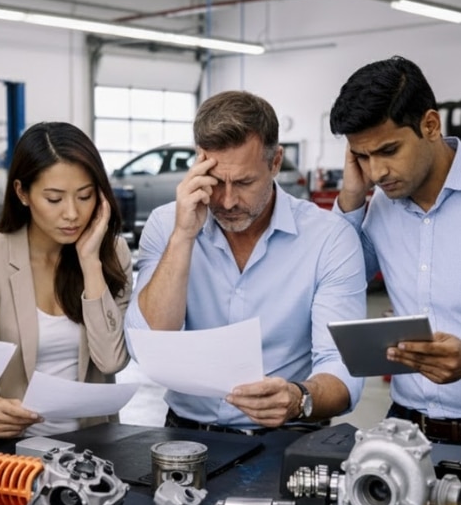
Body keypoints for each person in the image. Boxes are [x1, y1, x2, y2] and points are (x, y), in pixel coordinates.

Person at [329, 55, 461, 490]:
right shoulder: (378, 207)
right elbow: (338, 279)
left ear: (431, 124)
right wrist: (351, 201)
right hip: (404, 434)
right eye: (362, 156)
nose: (377, 172)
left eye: (388, 151)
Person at [124, 90, 366, 434]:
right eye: (215, 181)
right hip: (186, 434)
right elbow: (147, 343)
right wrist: (182, 236)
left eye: (244, 182)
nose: (227, 199)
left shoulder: (329, 238)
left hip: (288, 434)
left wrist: (300, 397)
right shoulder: (167, 226)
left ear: (276, 162)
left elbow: (342, 365)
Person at [0, 121, 132, 441]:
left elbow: (111, 361)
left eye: (84, 196)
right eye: (54, 199)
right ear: (22, 193)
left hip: (91, 448)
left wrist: (90, 263)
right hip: (7, 454)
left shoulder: (112, 253)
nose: (72, 213)